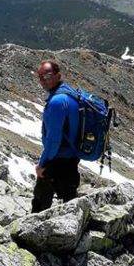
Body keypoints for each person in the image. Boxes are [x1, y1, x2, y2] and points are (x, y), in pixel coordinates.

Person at [31, 59, 81, 213]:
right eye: (40, 77)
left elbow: (53, 140)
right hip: (71, 157)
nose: (43, 81)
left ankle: (32, 232)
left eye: (47, 76)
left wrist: (42, 165)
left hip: (57, 159)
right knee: (70, 204)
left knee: (39, 204)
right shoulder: (69, 93)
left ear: (58, 76)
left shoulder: (57, 102)